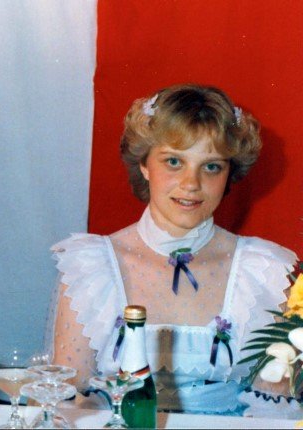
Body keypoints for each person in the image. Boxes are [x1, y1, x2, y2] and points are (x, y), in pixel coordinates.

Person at [48, 84, 299, 416]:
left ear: (229, 174)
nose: (191, 184)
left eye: (211, 166)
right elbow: (63, 400)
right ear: (144, 165)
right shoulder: (91, 266)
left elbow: (277, 409)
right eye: (174, 161)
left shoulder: (265, 271)